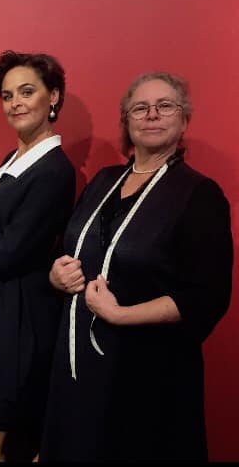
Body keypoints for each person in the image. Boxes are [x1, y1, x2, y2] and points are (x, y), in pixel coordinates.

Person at [40, 72, 233, 462]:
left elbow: (206, 297)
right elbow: (68, 249)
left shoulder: (198, 194)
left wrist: (120, 314)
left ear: (183, 119)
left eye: (165, 106)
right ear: (127, 121)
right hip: (80, 372)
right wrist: (56, 275)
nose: (152, 115)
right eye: (140, 108)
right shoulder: (103, 182)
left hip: (148, 377)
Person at [0, 51, 76, 462]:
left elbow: (8, 255)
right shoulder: (14, 160)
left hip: (23, 319)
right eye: (8, 95)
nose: (16, 103)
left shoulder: (54, 171)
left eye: (27, 91)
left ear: (53, 97)